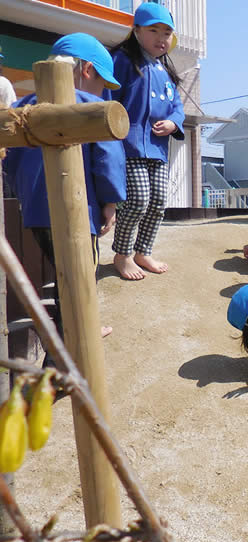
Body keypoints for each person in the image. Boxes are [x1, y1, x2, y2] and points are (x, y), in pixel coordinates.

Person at [3, 33, 125, 343]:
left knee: (63, 274)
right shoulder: (91, 106)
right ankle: (78, 336)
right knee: (81, 276)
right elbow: (109, 158)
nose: (102, 91)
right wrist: (111, 202)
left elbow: (10, 159)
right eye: (102, 83)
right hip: (80, 210)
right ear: (86, 70)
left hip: (35, 213)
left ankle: (70, 331)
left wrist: (23, 194)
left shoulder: (21, 108)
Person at [110, 3, 185, 280]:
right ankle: (123, 254)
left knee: (159, 201)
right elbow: (109, 99)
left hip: (158, 149)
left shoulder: (164, 70)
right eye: (153, 30)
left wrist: (173, 123)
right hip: (129, 146)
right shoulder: (122, 60)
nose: (161, 38)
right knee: (138, 200)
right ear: (137, 30)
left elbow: (177, 107)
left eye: (166, 32)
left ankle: (144, 251)